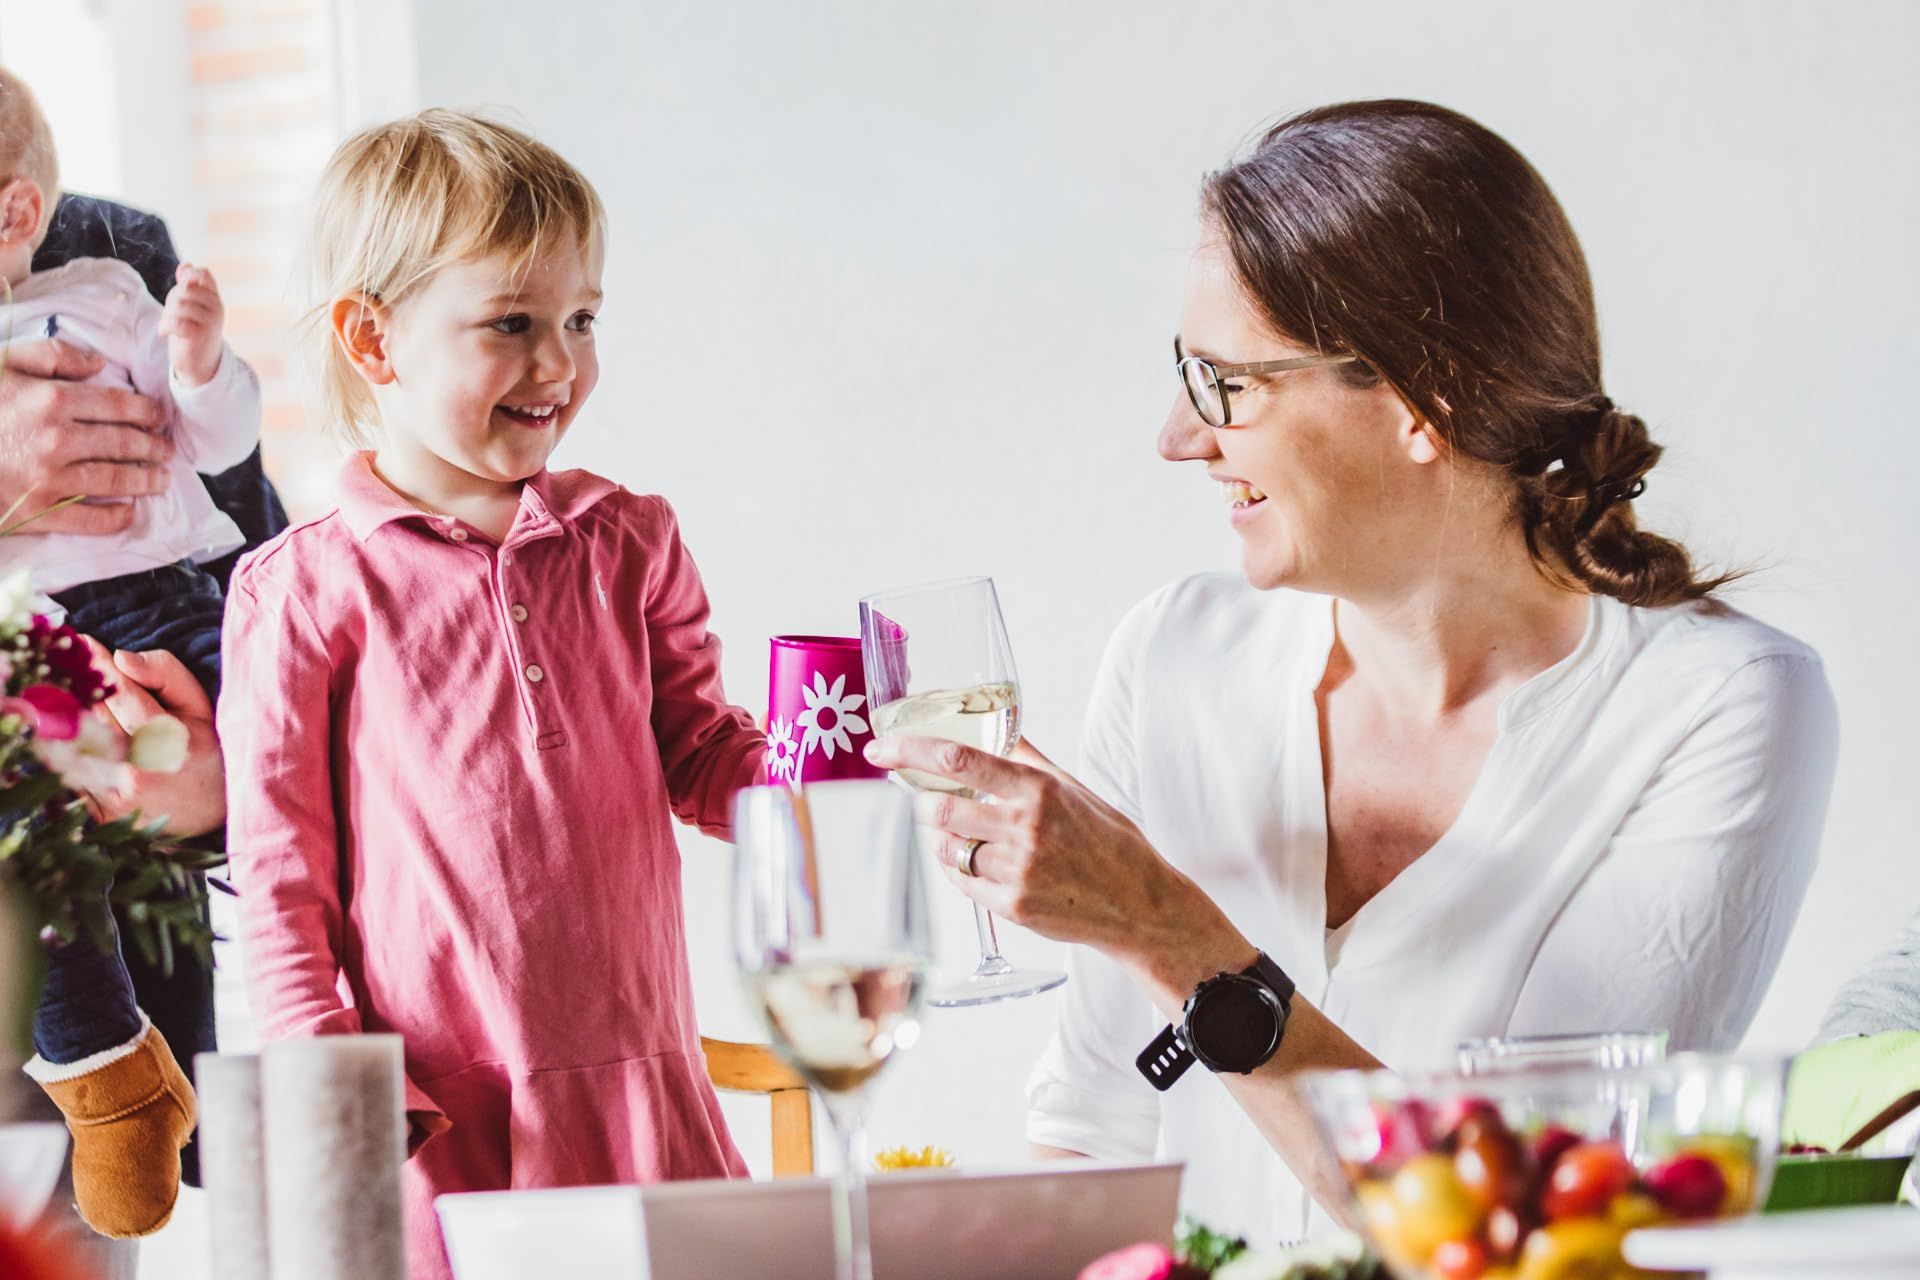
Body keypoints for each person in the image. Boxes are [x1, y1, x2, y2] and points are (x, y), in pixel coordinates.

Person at [867, 99, 1840, 1243]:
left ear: (1420, 402)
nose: (1179, 435)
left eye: (1228, 382)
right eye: (1187, 370)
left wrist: (1171, 935)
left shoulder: (1718, 707)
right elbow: (1092, 1123)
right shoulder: (1175, 654)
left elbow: (1520, 1217)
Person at [221, 110, 766, 1280]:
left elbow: (706, 755)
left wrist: (834, 766)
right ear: (374, 341)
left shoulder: (631, 541)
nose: (560, 364)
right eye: (511, 323)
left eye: (581, 319)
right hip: (437, 1124)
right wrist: (341, 1102)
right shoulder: (302, 590)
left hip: (644, 1097)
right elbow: (279, 887)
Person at [0, 64, 271, 1253]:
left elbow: (251, 567)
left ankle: (189, 1097)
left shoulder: (113, 252)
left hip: (54, 1117)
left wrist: (215, 782)